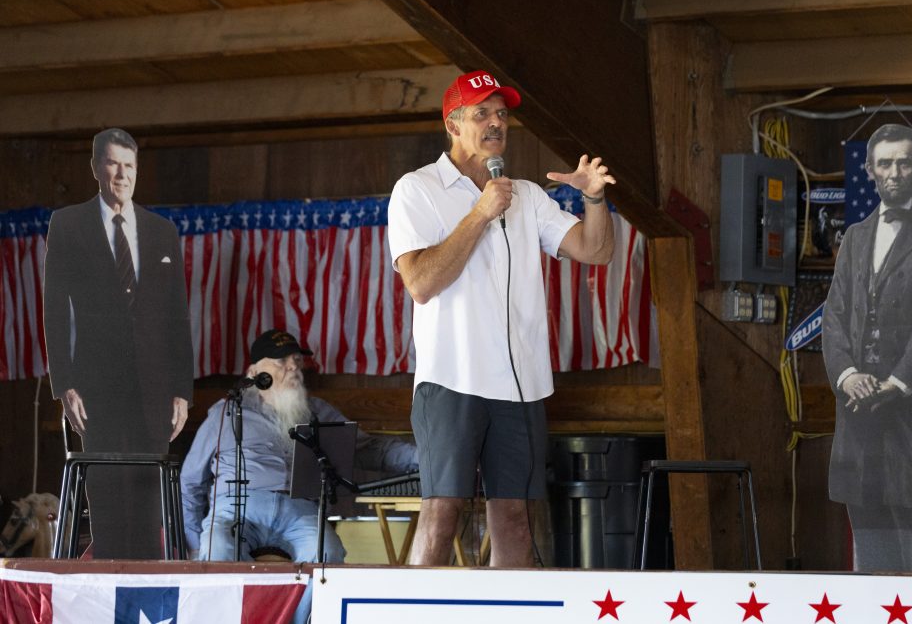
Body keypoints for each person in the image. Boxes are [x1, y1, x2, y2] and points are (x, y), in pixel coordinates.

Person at [387, 70, 616, 566]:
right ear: (453, 123)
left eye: (502, 114)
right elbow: (421, 282)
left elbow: (595, 251)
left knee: (515, 518)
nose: (496, 123)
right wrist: (480, 214)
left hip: (520, 385)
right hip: (453, 380)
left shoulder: (526, 194)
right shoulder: (417, 189)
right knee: (442, 513)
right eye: (482, 113)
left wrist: (594, 198)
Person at [43, 127, 193, 559]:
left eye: (129, 165)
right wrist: (64, 383)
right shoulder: (69, 224)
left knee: (148, 507)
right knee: (107, 499)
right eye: (113, 163)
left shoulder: (161, 230)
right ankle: (108, 595)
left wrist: (183, 390)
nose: (122, 174)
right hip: (96, 386)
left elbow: (176, 316)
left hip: (155, 388)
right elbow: (55, 310)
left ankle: (145, 595)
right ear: (96, 167)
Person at [823, 123, 912, 572]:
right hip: (858, 406)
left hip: (909, 404)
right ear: (869, 169)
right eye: (885, 163)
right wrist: (848, 376)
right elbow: (835, 315)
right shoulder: (856, 237)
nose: (895, 172)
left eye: (904, 162)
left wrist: (897, 382)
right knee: (866, 523)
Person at [181, 329, 418, 563]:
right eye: (281, 360)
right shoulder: (227, 412)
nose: (293, 366)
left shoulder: (318, 411)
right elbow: (190, 482)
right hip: (237, 510)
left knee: (327, 554)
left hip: (300, 513)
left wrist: (424, 458)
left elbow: (370, 449)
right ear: (255, 372)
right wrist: (193, 547)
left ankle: (303, 605)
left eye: (297, 359)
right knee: (217, 551)